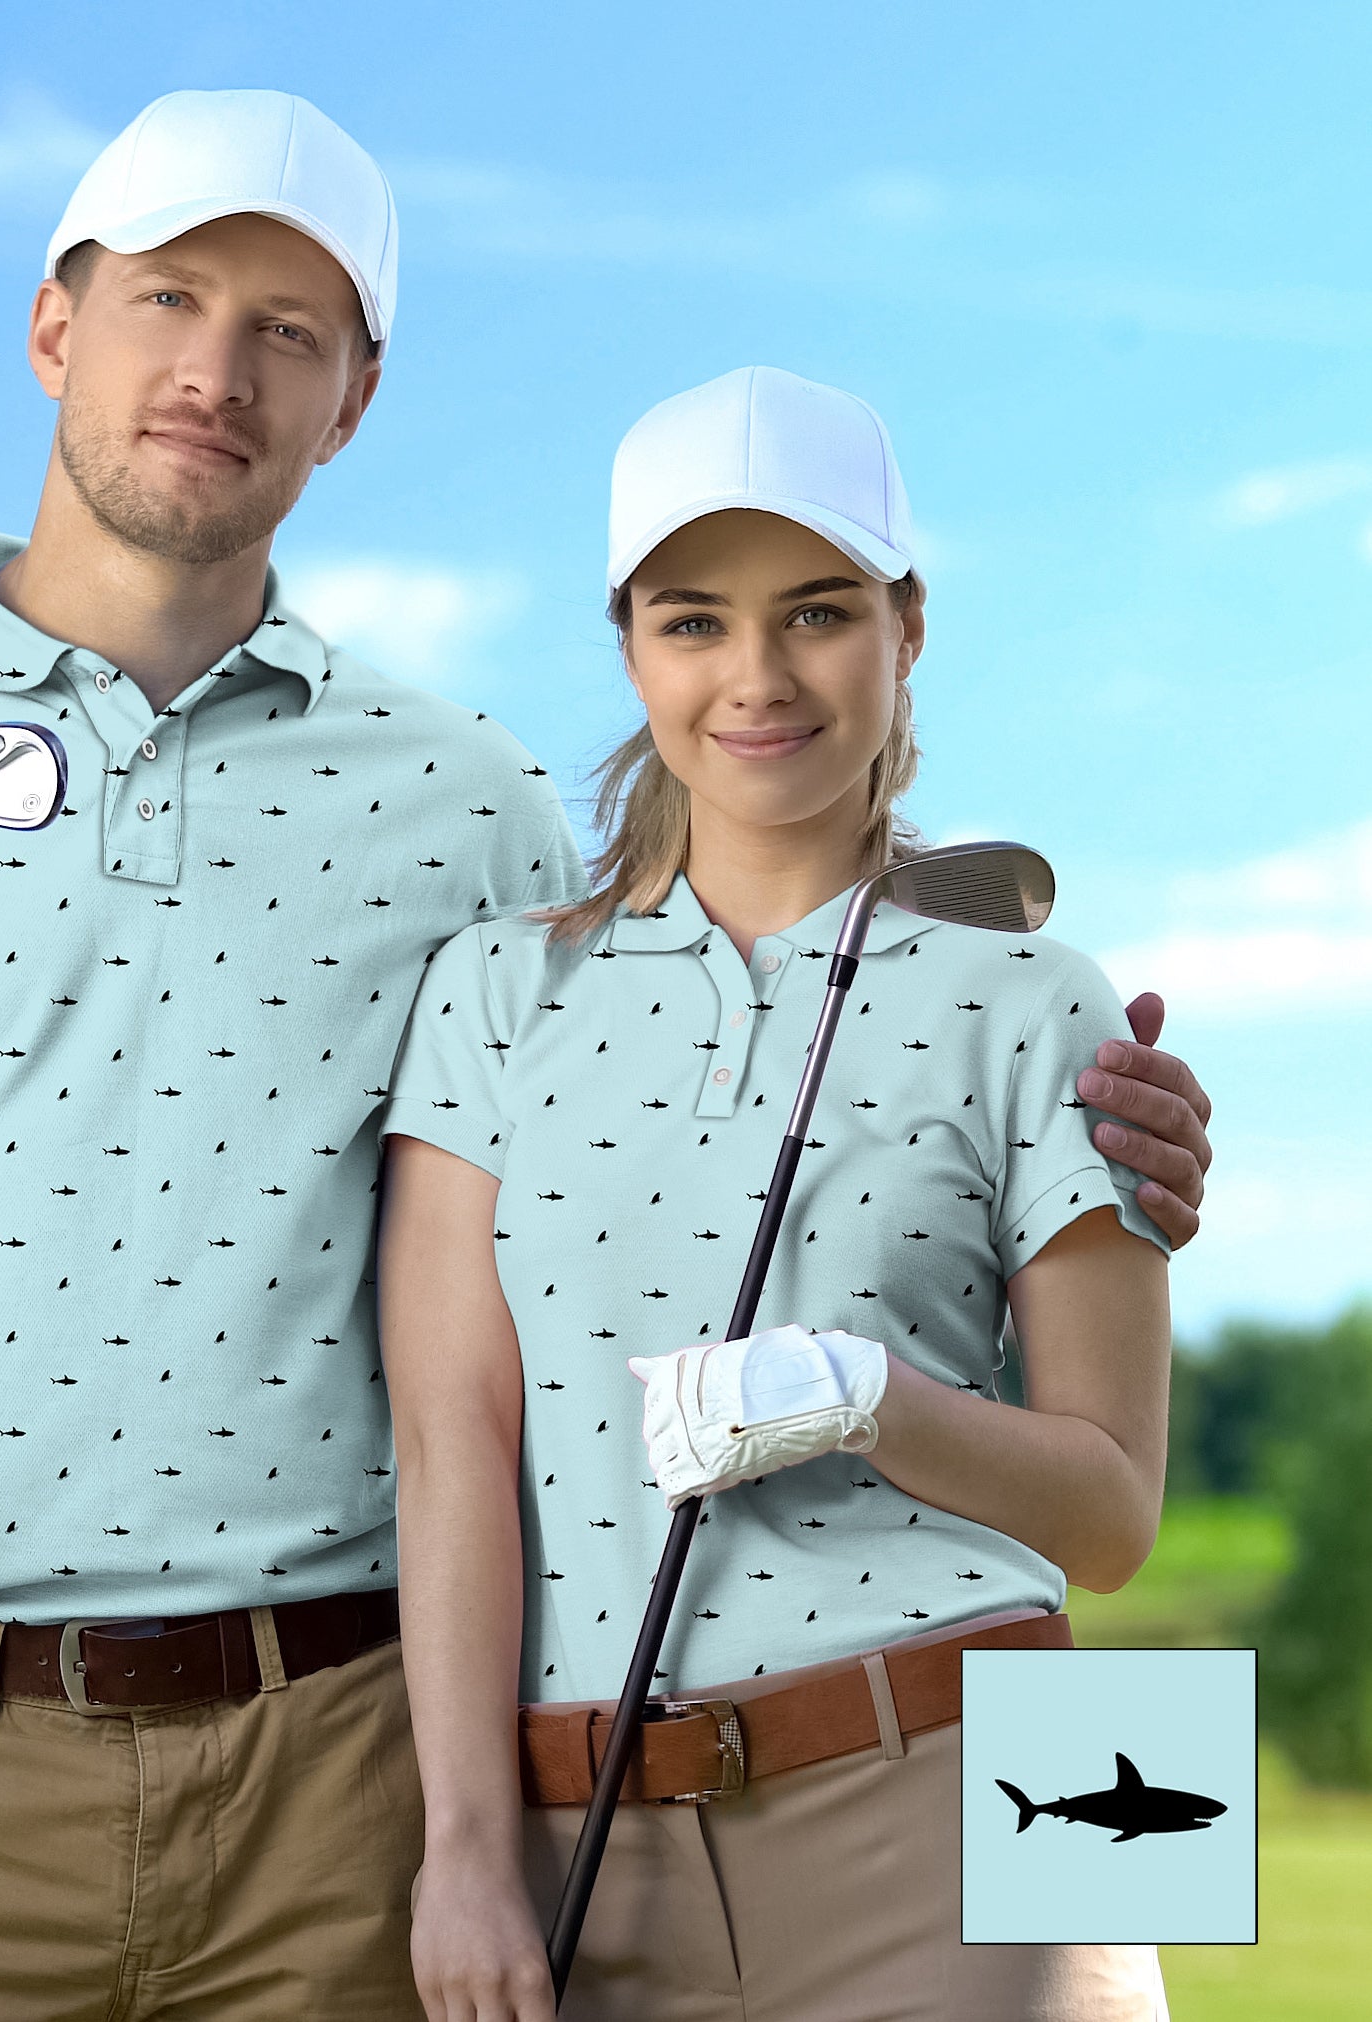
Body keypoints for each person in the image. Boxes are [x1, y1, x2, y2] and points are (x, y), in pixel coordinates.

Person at [0, 86, 1210, 2018]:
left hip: (372, 1766)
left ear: (354, 397)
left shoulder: (468, 800)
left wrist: (1071, 1094)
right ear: (52, 322)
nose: (215, 372)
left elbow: (1065, 1465)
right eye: (166, 298)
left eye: (285, 330)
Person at [379, 367, 1186, 2020]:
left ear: (906, 627)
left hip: (1012, 1763)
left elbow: (1112, 1524)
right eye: (693, 622)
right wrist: (460, 1845)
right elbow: (449, 1440)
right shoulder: (491, 994)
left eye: (817, 611)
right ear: (628, 647)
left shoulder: (1042, 996)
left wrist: (861, 1396)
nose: (756, 675)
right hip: (588, 1830)